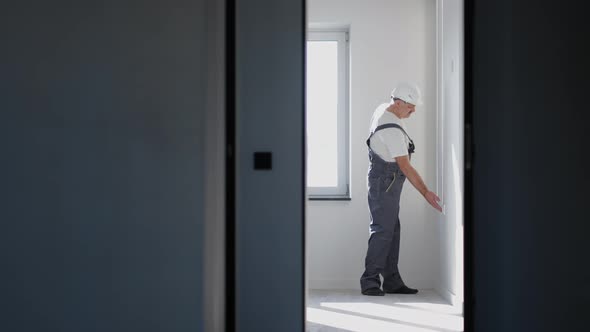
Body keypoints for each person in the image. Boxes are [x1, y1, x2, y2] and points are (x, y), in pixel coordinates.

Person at [360, 82, 443, 296]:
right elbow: (405, 166)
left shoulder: (384, 109)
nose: (414, 110)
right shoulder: (391, 131)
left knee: (392, 230)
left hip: (385, 180)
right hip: (385, 181)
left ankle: (392, 281)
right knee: (382, 231)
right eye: (410, 106)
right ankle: (369, 281)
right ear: (397, 103)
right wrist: (426, 193)